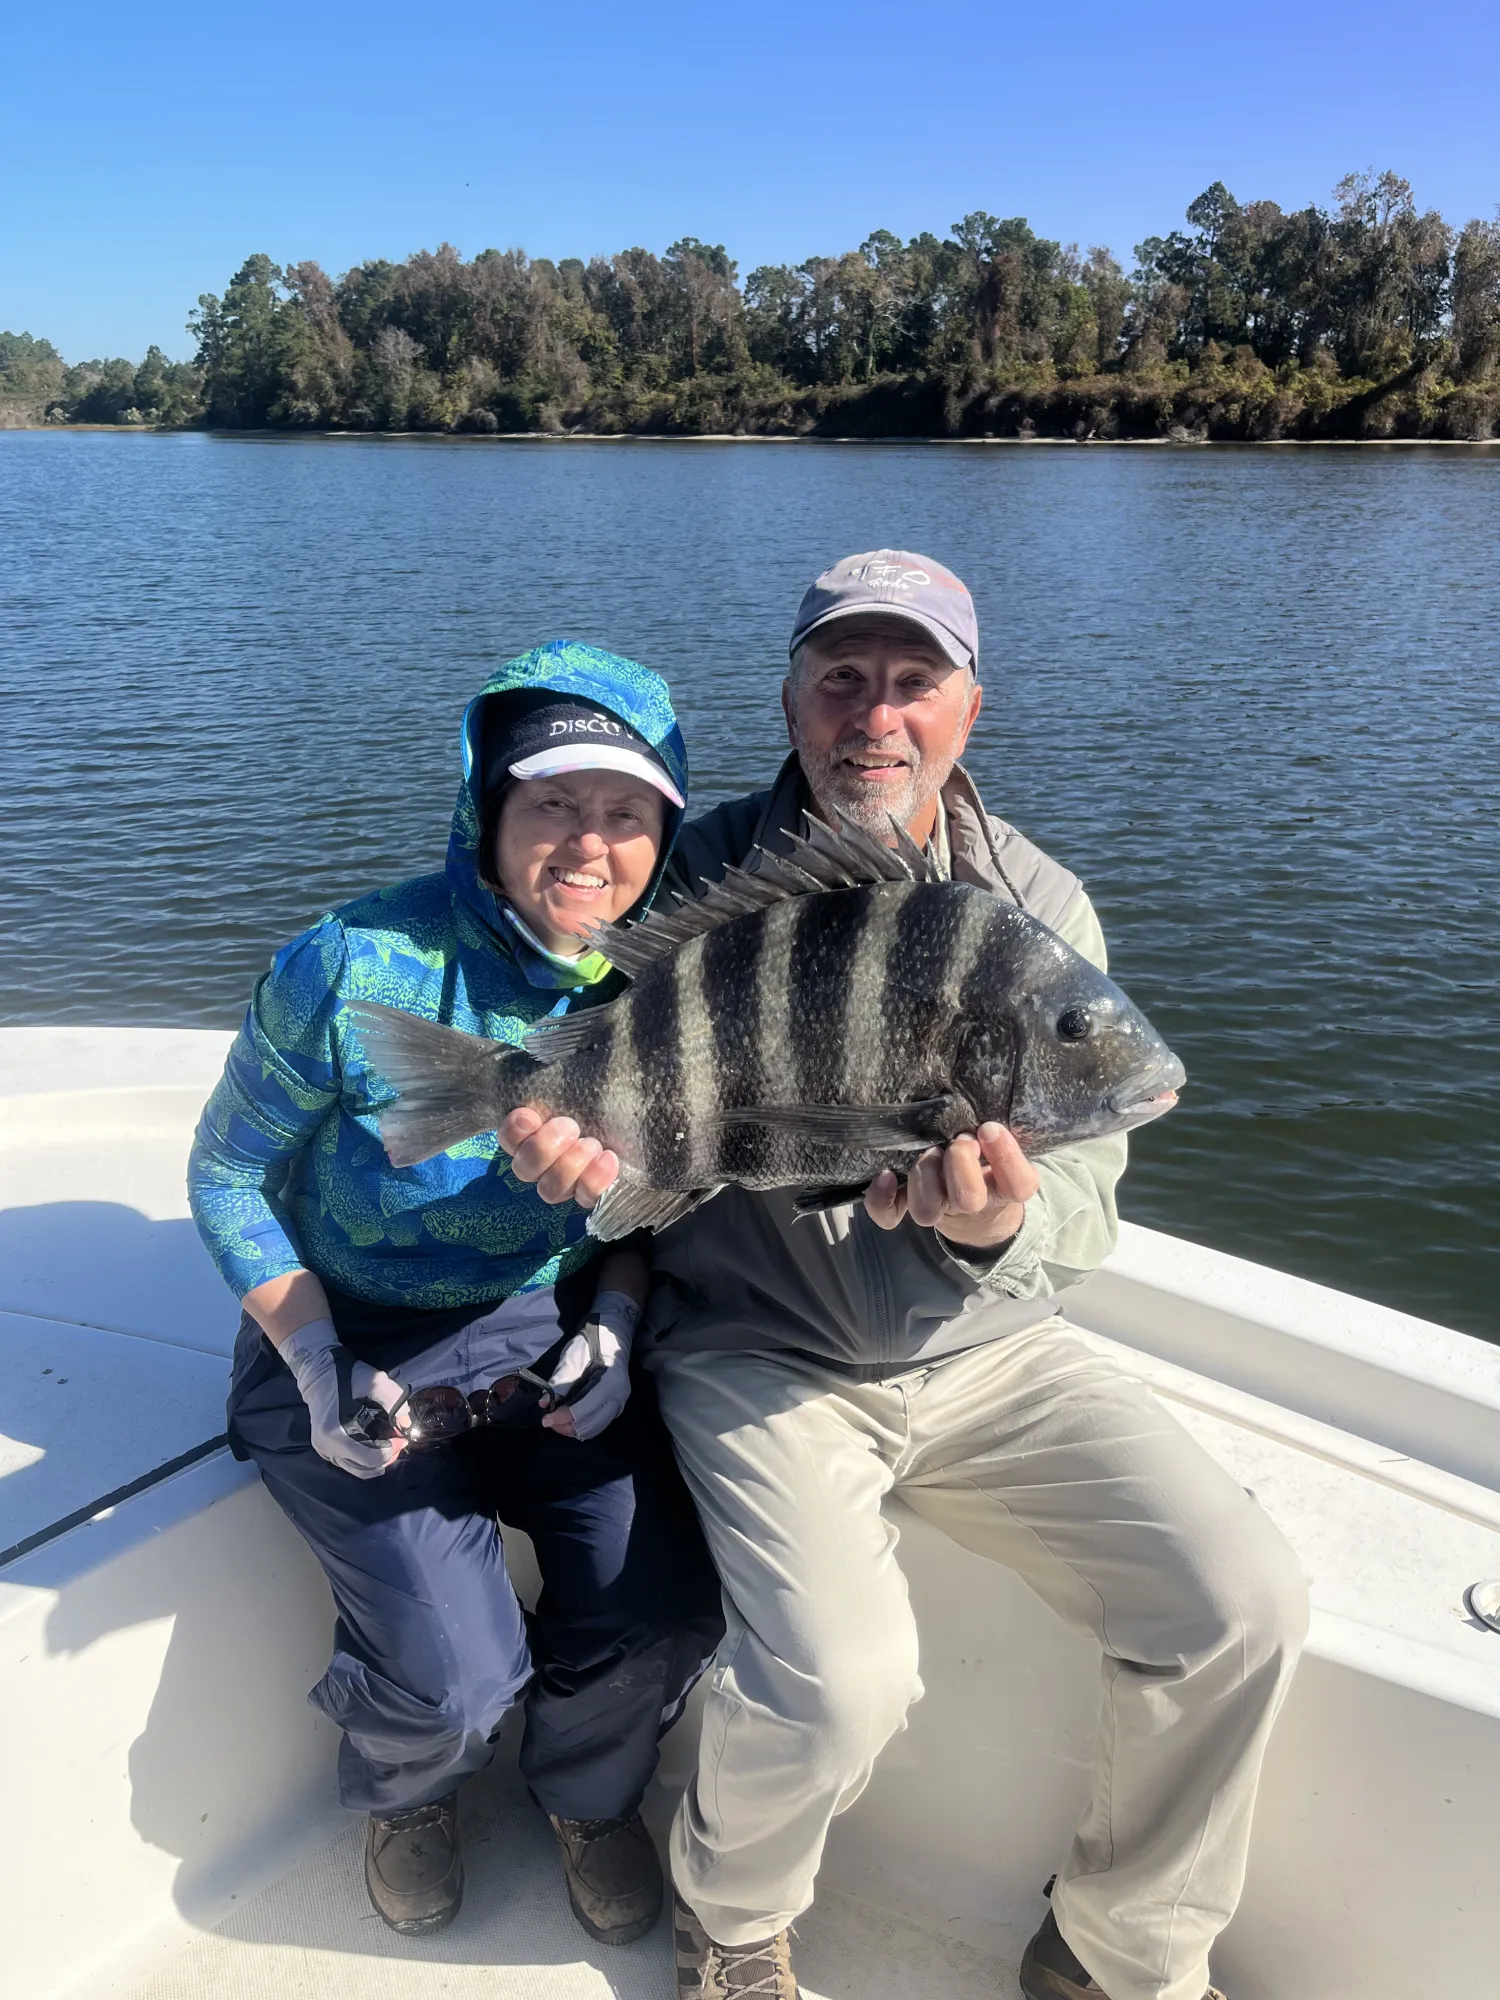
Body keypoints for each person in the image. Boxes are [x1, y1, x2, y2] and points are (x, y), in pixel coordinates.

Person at [500, 558, 1309, 2000]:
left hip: (991, 1351)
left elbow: (1085, 1206)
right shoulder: (697, 869)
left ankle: (1119, 1950)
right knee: (840, 1685)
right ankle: (732, 1926)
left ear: (968, 709)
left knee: (1239, 1599)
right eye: (842, 678)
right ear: (795, 701)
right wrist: (573, 1158)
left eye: (912, 682)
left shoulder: (1040, 907)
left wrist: (994, 1230)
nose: (876, 715)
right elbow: (624, 1096)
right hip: (762, 1354)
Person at [187, 641, 723, 1949]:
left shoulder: (674, 991)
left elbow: (638, 1214)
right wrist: (314, 1364)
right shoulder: (346, 964)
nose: (589, 845)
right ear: (485, 808)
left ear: (666, 828)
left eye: (626, 812)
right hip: (347, 1334)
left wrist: (613, 1314)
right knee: (450, 1679)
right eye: (551, 803)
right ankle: (409, 1792)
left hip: (545, 1332)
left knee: (664, 1606)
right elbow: (226, 1172)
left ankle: (587, 1798)